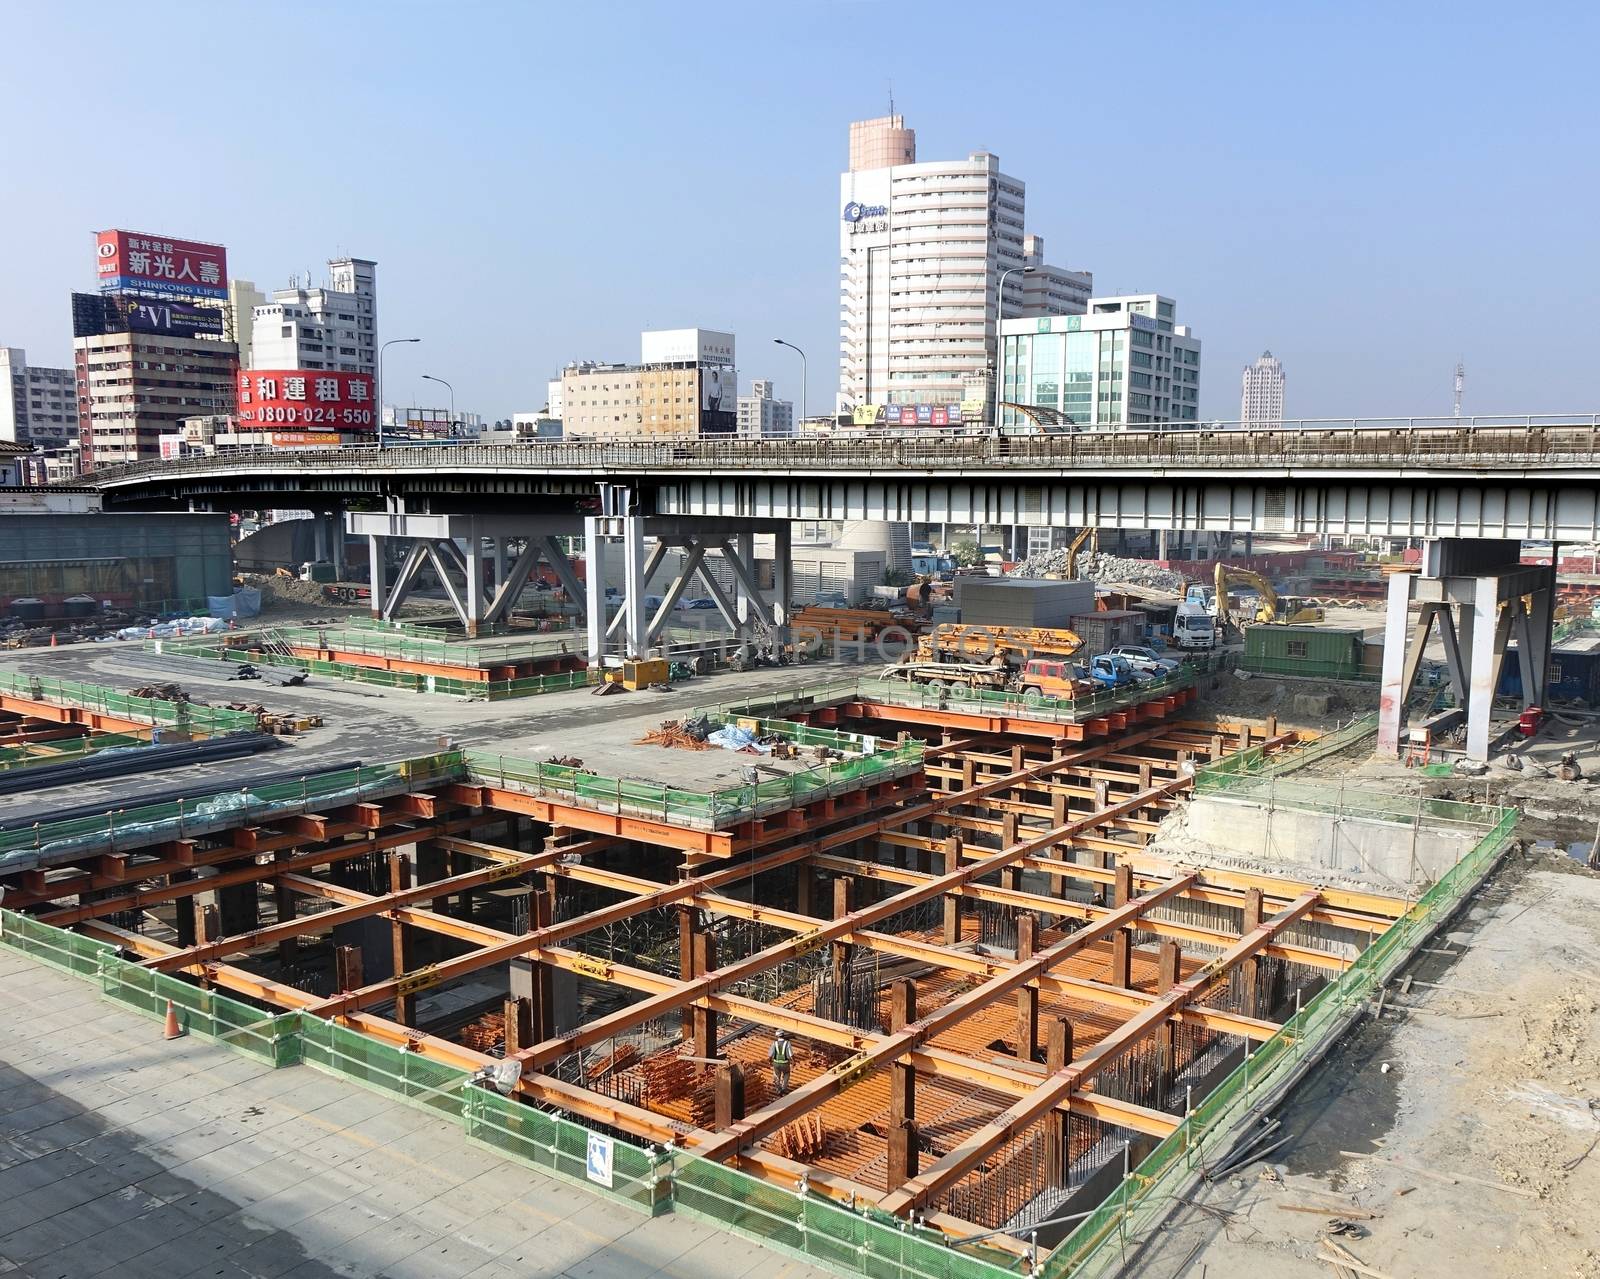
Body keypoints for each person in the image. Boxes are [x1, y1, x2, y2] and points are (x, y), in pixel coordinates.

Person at [769, 1029, 793, 1094]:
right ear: (783, 1035)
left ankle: (778, 1089)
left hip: (776, 1063)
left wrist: (770, 1061)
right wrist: (794, 1061)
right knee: (786, 1074)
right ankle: (783, 1088)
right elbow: (791, 1054)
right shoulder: (787, 1043)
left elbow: (770, 1054)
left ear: (777, 1036)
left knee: (777, 1075)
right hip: (785, 1063)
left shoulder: (774, 1043)